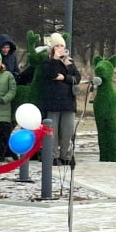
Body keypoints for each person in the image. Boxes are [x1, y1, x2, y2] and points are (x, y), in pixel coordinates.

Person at [42, 33, 81, 164]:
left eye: (61, 46)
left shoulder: (70, 62)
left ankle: (66, 155)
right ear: (52, 48)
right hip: (53, 102)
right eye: (57, 46)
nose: (59, 48)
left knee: (67, 131)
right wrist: (55, 59)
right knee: (52, 132)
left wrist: (65, 78)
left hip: (68, 102)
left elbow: (77, 78)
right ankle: (53, 156)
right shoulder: (48, 61)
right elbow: (51, 75)